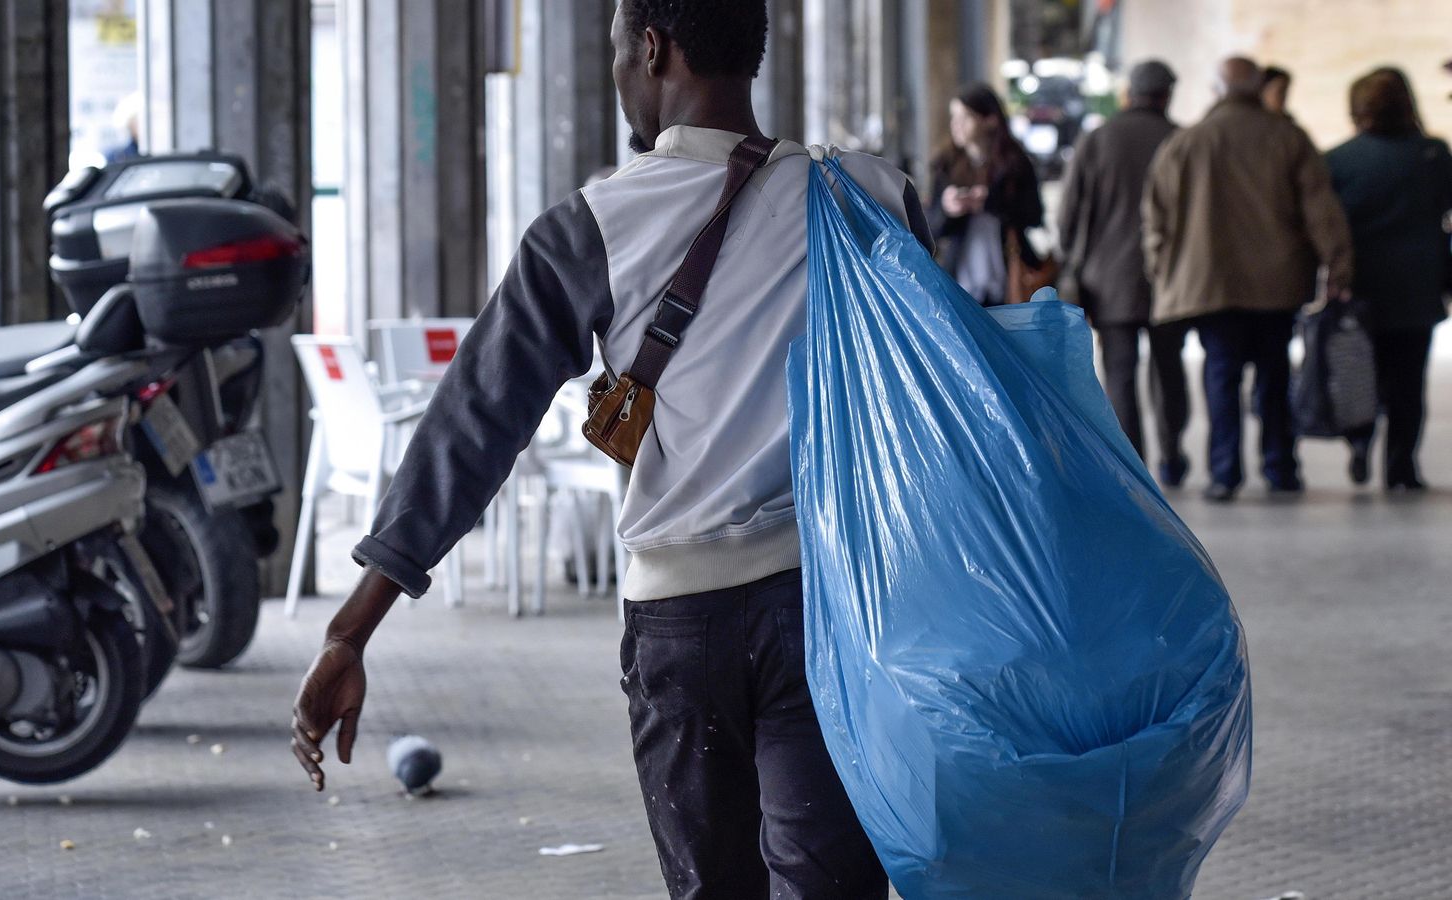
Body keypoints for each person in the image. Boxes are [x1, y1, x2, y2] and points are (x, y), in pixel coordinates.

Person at [290, 2, 936, 897]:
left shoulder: (593, 225)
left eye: (617, 56)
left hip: (684, 626)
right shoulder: (874, 197)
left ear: (653, 48)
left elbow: (473, 426)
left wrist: (349, 631)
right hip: (834, 609)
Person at [1143, 57, 1353, 503]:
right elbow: (1321, 210)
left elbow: (1156, 222)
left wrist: (1165, 272)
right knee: (1275, 375)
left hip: (1210, 286)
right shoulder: (1287, 138)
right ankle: (1280, 468)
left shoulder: (1186, 144)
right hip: (1278, 284)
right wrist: (1337, 265)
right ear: (1259, 87)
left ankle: (1225, 473)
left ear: (1217, 89)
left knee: (1220, 377)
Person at [1057, 60, 1190, 484]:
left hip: (1108, 278)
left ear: (1129, 93)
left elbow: (1068, 215)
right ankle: (1172, 454)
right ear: (1167, 95)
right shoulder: (1181, 140)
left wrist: (1072, 260)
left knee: (1120, 371)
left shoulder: (1098, 140)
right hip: (1172, 278)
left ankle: (1134, 466)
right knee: (1169, 368)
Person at [1326, 68, 1452, 491]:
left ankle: (1359, 443)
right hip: (1419, 285)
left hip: (1360, 286)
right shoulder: (1433, 155)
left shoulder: (1338, 160)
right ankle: (1401, 468)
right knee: (1407, 383)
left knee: (1360, 373)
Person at [926, 83, 1045, 307]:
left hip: (1007, 275)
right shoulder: (945, 165)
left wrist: (989, 203)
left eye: (965, 117)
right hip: (958, 279)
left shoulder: (1015, 164)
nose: (956, 125)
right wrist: (948, 209)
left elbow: (1034, 216)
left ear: (990, 120)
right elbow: (932, 229)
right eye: (954, 117)